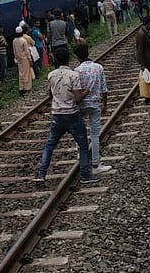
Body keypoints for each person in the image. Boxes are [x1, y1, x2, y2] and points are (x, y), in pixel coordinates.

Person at [33, 48, 101, 185]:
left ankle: (42, 174)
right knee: (83, 144)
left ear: (56, 60)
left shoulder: (51, 75)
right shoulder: (73, 75)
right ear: (69, 59)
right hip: (71, 115)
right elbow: (78, 99)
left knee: (50, 145)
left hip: (57, 115)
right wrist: (86, 91)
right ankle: (85, 175)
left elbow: (50, 95)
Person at [74, 43, 111, 175]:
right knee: (95, 135)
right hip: (95, 105)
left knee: (80, 132)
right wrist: (105, 105)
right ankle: (96, 164)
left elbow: (76, 90)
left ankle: (81, 154)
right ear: (88, 52)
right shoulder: (98, 67)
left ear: (77, 57)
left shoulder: (76, 71)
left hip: (81, 105)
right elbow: (104, 88)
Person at [13, 26, 35, 94]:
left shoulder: (14, 41)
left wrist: (16, 58)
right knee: (27, 74)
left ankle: (21, 87)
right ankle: (27, 88)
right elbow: (27, 51)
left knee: (21, 74)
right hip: (25, 59)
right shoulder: (23, 40)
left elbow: (14, 51)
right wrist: (30, 60)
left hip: (19, 59)